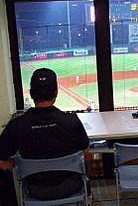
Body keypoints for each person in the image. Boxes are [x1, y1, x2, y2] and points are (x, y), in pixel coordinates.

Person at [0, 68, 90, 202]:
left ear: (30, 93)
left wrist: (17, 163)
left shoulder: (17, 125)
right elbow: (86, 153)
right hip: (71, 185)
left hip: (35, 190)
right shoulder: (72, 121)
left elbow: (1, 162)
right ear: (56, 92)